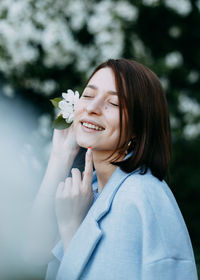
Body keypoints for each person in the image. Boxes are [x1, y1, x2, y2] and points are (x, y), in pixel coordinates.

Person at [26, 59, 198, 280]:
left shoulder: (140, 197)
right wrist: (60, 156)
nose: (92, 108)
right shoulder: (94, 188)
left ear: (138, 127)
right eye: (88, 95)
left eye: (114, 103)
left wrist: (71, 229)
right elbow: (33, 252)